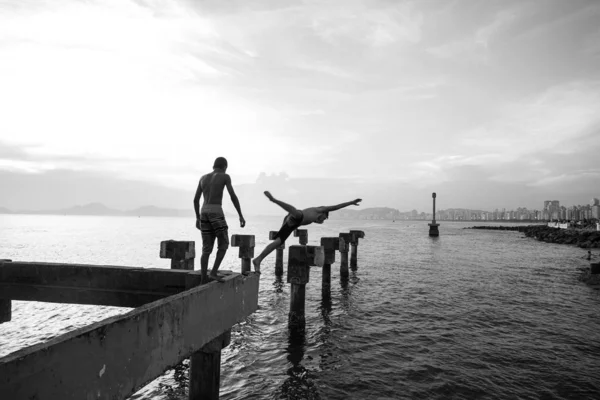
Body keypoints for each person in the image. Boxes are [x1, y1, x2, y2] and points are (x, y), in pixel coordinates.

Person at [252, 191, 362, 273]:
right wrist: (351, 202)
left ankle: (258, 260)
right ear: (324, 213)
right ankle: (274, 200)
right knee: (295, 212)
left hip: (292, 223)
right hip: (297, 216)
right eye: (323, 219)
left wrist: (282, 229)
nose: (322, 221)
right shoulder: (320, 210)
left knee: (278, 242)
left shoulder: (313, 219)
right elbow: (336, 207)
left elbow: (288, 218)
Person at [194, 157, 245, 282]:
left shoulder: (203, 178)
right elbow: (233, 196)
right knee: (223, 243)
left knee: (206, 248)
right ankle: (213, 273)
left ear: (213, 166)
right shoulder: (225, 176)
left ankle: (203, 279)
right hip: (216, 211)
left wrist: (197, 218)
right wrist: (240, 215)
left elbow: (196, 200)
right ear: (225, 166)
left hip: (203, 211)